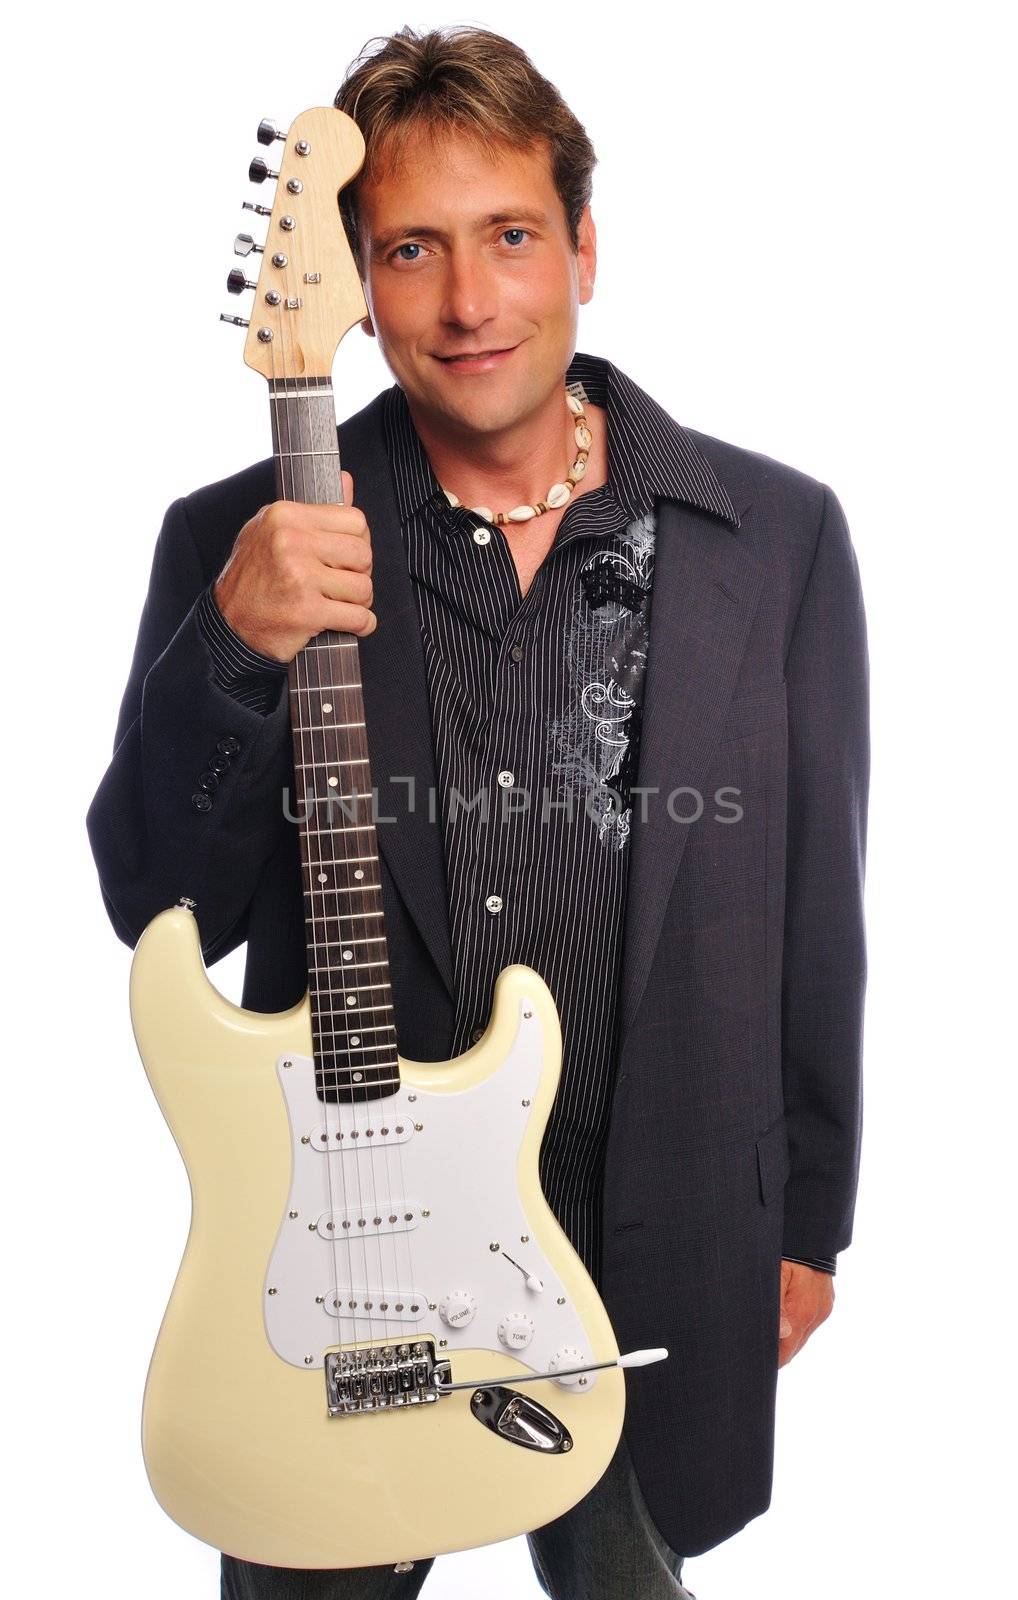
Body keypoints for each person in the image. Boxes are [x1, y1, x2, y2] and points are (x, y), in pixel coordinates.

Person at [86, 23, 869, 1600]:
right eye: (410, 251)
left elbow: (816, 914)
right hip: (339, 1257)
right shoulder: (238, 536)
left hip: (654, 1231)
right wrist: (227, 653)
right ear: (353, 285)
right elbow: (158, 907)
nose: (466, 302)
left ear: (582, 243)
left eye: (510, 236)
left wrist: (808, 1219)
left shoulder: (773, 536)